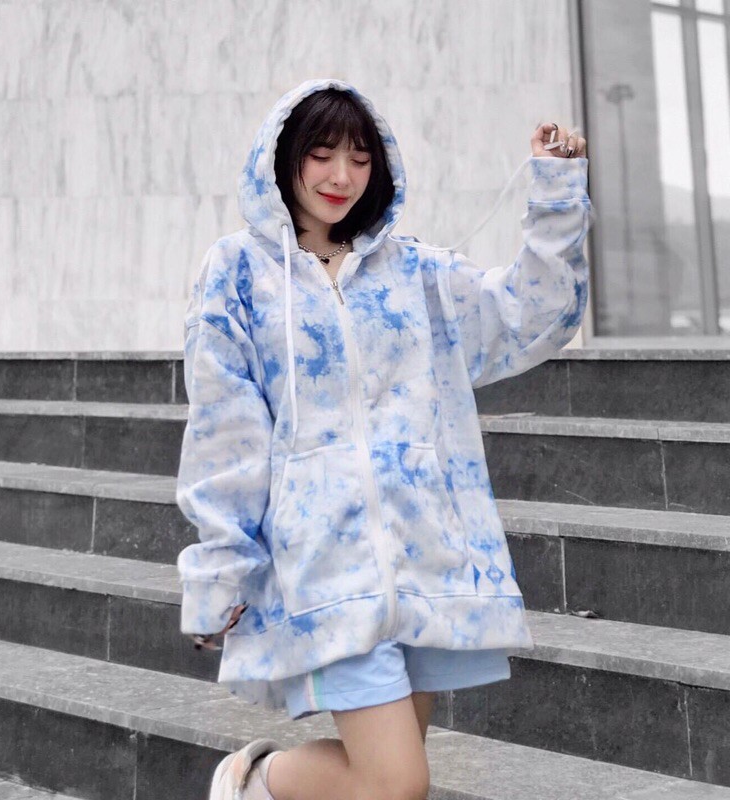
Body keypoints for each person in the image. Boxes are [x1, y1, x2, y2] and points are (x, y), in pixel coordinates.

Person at [175, 77, 590, 800]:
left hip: (423, 560)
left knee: (382, 784)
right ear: (283, 158)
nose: (341, 176)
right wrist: (221, 565)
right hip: (322, 567)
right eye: (322, 154)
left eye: (360, 158)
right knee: (395, 782)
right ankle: (254, 782)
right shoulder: (239, 273)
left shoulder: (415, 272)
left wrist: (556, 196)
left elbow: (532, 315)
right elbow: (225, 428)